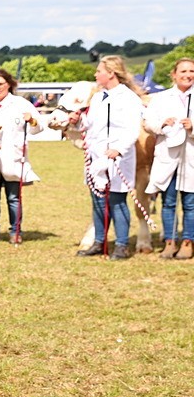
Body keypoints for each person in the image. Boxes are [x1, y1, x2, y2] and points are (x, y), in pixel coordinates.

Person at [74, 55, 144, 260]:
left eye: (99, 71)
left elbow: (132, 129)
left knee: (117, 200)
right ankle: (99, 241)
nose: (95, 74)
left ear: (111, 73)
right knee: (97, 199)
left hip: (118, 157)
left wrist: (119, 149)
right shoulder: (97, 97)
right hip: (96, 156)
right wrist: (78, 121)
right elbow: (91, 126)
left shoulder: (129, 98)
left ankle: (121, 245)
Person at [0, 68, 44, 245]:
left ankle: (15, 231)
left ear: (9, 84)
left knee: (14, 197)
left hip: (13, 156)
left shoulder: (21, 104)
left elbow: (39, 127)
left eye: (1, 84)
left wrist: (32, 120)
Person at [143, 58, 194, 259]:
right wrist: (162, 124)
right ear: (174, 74)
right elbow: (147, 123)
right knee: (169, 202)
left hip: (190, 157)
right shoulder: (160, 98)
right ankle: (170, 242)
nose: (188, 75)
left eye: (191, 71)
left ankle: (188, 242)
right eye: (183, 71)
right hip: (167, 157)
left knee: (190, 203)